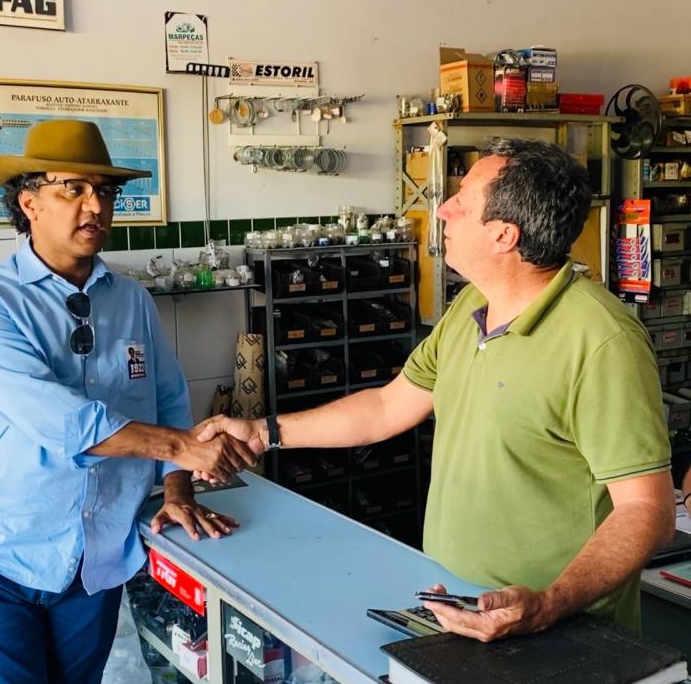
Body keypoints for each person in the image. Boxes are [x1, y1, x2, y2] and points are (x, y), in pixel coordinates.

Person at [198, 138, 675, 641]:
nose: (443, 209)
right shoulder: (472, 305)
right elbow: (386, 407)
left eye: (462, 202)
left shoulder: (602, 342)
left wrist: (548, 604)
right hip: (454, 604)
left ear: (503, 235)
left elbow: (647, 511)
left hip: (559, 632)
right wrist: (263, 432)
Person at [0, 119, 253, 684]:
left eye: (105, 192)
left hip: (93, 566)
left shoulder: (130, 300)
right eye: (74, 189)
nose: (96, 207)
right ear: (28, 201)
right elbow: (61, 421)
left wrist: (177, 488)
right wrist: (180, 450)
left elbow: (169, 397)